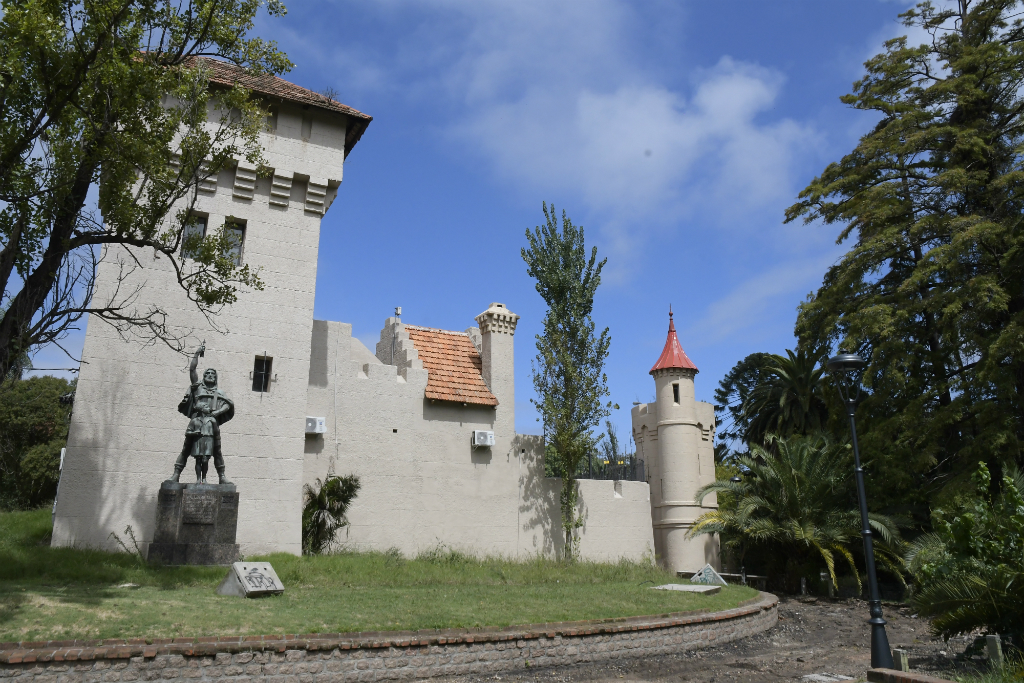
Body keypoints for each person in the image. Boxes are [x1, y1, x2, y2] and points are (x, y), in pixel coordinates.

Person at [169, 343, 235, 484]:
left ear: (216, 378)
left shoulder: (220, 393)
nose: (210, 375)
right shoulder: (198, 388)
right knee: (186, 449)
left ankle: (222, 476)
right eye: (207, 373)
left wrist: (217, 412)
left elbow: (229, 404)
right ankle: (176, 474)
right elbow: (192, 370)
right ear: (204, 376)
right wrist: (197, 353)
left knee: (217, 451)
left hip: (212, 423)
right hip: (196, 421)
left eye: (213, 374)